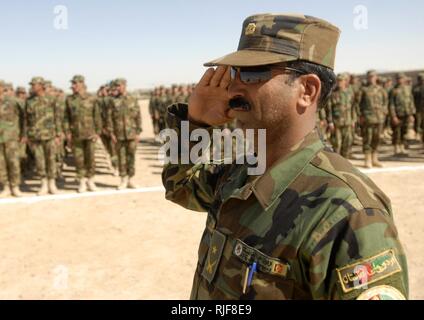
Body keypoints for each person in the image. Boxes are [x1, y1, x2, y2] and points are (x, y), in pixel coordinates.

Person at [162, 13, 408, 300]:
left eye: (254, 73)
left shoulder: (347, 213)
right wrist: (195, 122)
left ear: (307, 90)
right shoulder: (241, 173)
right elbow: (179, 186)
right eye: (233, 73)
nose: (234, 87)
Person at [65, 75, 102, 193]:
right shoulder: (69, 99)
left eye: (75, 83)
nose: (73, 86)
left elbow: (97, 116)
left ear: (82, 84)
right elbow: (66, 118)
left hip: (90, 134)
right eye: (72, 83)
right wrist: (68, 133)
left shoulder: (92, 98)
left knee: (90, 159)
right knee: (79, 159)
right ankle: (81, 181)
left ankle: (90, 180)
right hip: (76, 135)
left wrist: (98, 132)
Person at [107, 78, 142, 189]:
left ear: (124, 86)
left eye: (119, 85)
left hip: (132, 134)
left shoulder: (133, 99)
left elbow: (138, 116)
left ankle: (130, 180)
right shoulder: (113, 101)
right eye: (116, 86)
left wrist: (138, 132)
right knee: (121, 158)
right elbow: (109, 118)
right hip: (119, 135)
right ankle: (123, 180)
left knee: (131, 157)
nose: (117, 88)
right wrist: (111, 133)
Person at [0, 81, 25, 197]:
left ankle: (15, 186)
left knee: (14, 162)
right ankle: (5, 186)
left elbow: (24, 118)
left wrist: (23, 134)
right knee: (1, 164)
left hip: (11, 138)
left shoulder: (13, 101)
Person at [358, 71, 388, 168]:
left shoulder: (381, 89)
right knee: (368, 138)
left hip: (379, 118)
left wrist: (384, 111)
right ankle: (367, 159)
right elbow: (358, 104)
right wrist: (360, 115)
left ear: (376, 77)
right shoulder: (364, 90)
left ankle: (375, 158)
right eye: (370, 77)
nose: (371, 78)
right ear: (367, 78)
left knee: (377, 138)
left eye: (373, 76)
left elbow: (385, 101)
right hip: (368, 118)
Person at [326, 73, 354, 158]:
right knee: (337, 143)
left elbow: (353, 107)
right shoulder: (333, 93)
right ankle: (337, 162)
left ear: (345, 81)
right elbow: (329, 109)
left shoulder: (349, 93)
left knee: (347, 142)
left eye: (341, 81)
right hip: (336, 123)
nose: (339, 82)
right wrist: (330, 122)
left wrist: (353, 120)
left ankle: (345, 161)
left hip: (348, 122)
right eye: (338, 81)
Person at [389, 73, 416, 155]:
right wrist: (393, 116)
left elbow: (411, 101)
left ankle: (402, 148)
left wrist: (411, 114)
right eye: (398, 79)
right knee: (397, 132)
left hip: (406, 114)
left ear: (404, 79)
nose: (400, 80)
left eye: (401, 78)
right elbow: (391, 104)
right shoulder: (393, 90)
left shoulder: (408, 89)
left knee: (404, 131)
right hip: (398, 114)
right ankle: (396, 148)